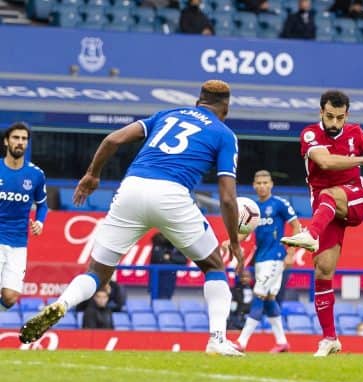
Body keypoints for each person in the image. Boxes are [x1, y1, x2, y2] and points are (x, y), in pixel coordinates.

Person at [19, 80, 245, 356]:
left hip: (131, 188)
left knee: (96, 273)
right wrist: (234, 240)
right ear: (226, 108)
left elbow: (113, 139)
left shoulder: (167, 115)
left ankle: (62, 304)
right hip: (172, 194)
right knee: (214, 266)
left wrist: (92, 174)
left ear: (199, 101)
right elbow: (227, 197)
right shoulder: (224, 134)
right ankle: (217, 339)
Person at [280, 90, 363, 357]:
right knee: (323, 271)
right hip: (326, 211)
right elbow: (325, 162)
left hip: (354, 200)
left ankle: (310, 234)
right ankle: (330, 339)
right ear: (321, 112)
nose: (334, 123)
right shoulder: (309, 134)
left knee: (329, 195)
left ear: (346, 115)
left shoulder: (357, 132)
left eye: (340, 118)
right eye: (330, 116)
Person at [233, 170, 302, 353]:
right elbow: (246, 231)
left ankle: (241, 342)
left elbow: (296, 226)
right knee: (269, 297)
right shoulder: (253, 208)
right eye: (259, 183)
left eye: (265, 182)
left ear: (271, 184)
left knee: (259, 294)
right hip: (260, 259)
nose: (262, 186)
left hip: (276, 258)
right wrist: (232, 241)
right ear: (254, 186)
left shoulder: (280, 204)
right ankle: (282, 342)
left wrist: (291, 252)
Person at [0, 122, 47, 313]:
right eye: (15, 138)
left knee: (10, 298)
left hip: (19, 243)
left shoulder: (35, 174)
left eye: (24, 139)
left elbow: (42, 205)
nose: (20, 142)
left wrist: (40, 222)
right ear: (6, 141)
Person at [150, 232, 188, 299]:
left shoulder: (177, 245)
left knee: (166, 300)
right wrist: (170, 259)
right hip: (157, 278)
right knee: (155, 300)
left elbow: (183, 260)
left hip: (169, 279)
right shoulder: (158, 241)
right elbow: (157, 257)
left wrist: (170, 257)